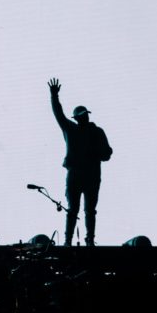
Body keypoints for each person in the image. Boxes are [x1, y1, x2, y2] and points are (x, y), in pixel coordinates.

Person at [47, 77, 112, 246]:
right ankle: (70, 241)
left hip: (90, 175)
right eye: (82, 116)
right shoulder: (71, 129)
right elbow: (59, 114)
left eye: (86, 115)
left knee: (88, 210)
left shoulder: (96, 132)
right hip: (78, 175)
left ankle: (88, 240)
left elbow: (107, 153)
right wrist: (54, 96)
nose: (85, 118)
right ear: (77, 118)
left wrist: (95, 153)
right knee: (75, 210)